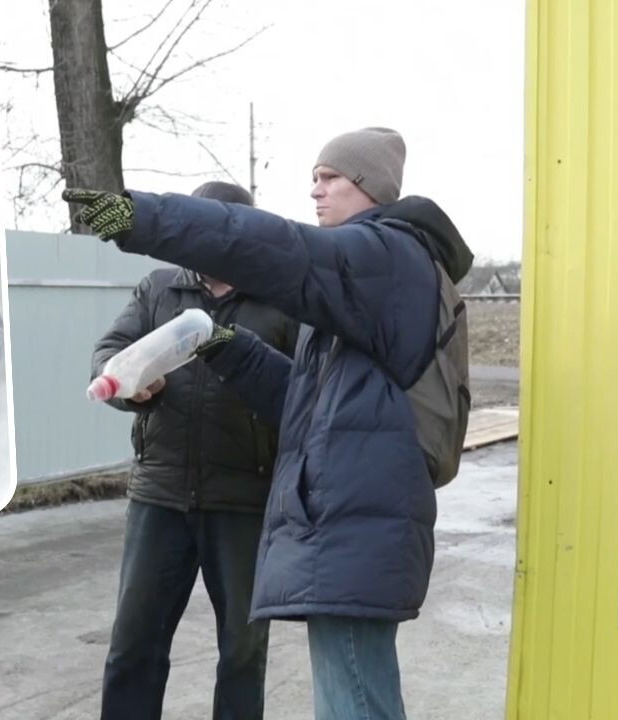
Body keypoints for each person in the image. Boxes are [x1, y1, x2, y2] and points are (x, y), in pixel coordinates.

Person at [65, 127, 473, 720]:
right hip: (305, 511)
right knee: (345, 693)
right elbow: (303, 401)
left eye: (331, 177)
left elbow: (282, 248)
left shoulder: (384, 257)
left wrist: (144, 216)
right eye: (314, 176)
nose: (315, 190)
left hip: (341, 515)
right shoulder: (362, 282)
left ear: (369, 185)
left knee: (348, 695)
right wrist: (231, 348)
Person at [93, 180, 299, 720]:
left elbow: (304, 394)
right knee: (134, 645)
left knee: (242, 652)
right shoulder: (160, 289)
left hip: (245, 502)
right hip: (159, 495)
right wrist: (127, 384)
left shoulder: (282, 299)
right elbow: (110, 353)